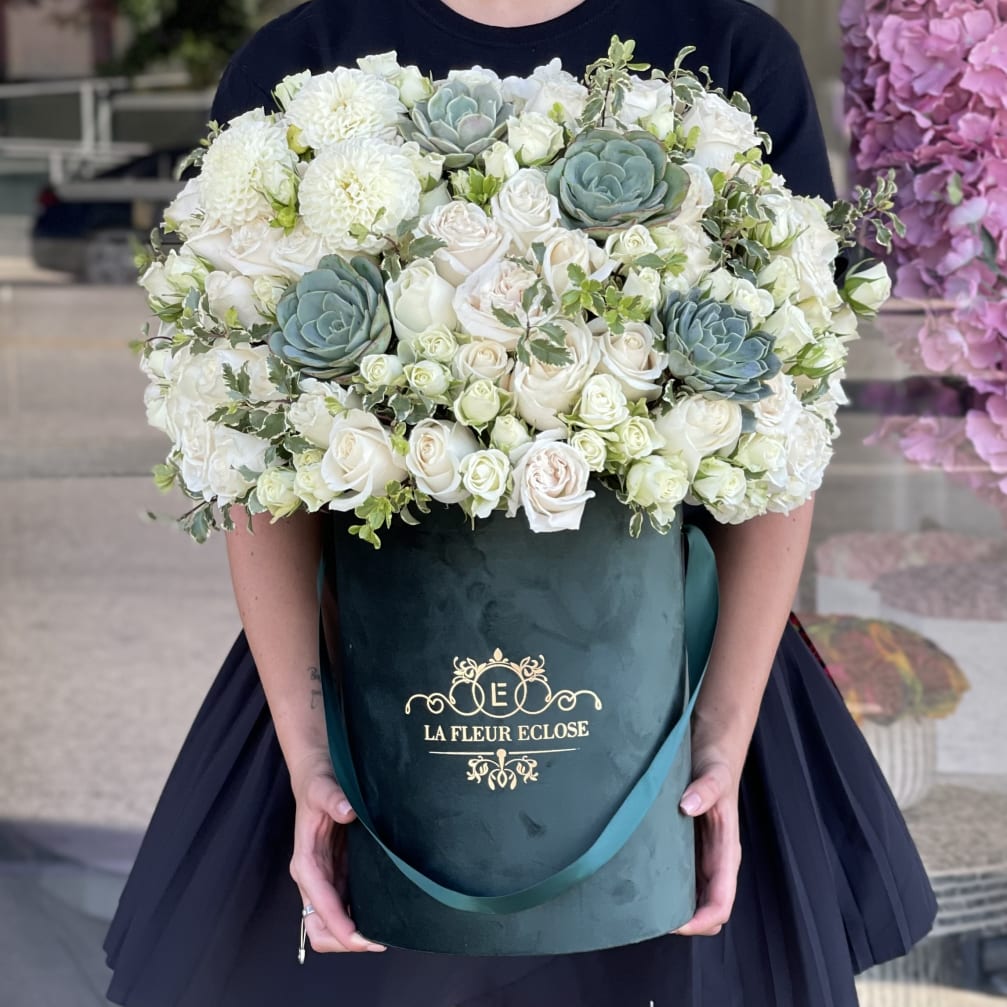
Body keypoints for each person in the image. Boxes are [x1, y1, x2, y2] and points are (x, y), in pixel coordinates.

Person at [104, 1, 938, 1004]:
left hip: (680, 683)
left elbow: (781, 423)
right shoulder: (301, 62)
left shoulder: (730, 52)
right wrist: (310, 748)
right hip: (372, 693)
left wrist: (718, 738)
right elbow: (253, 447)